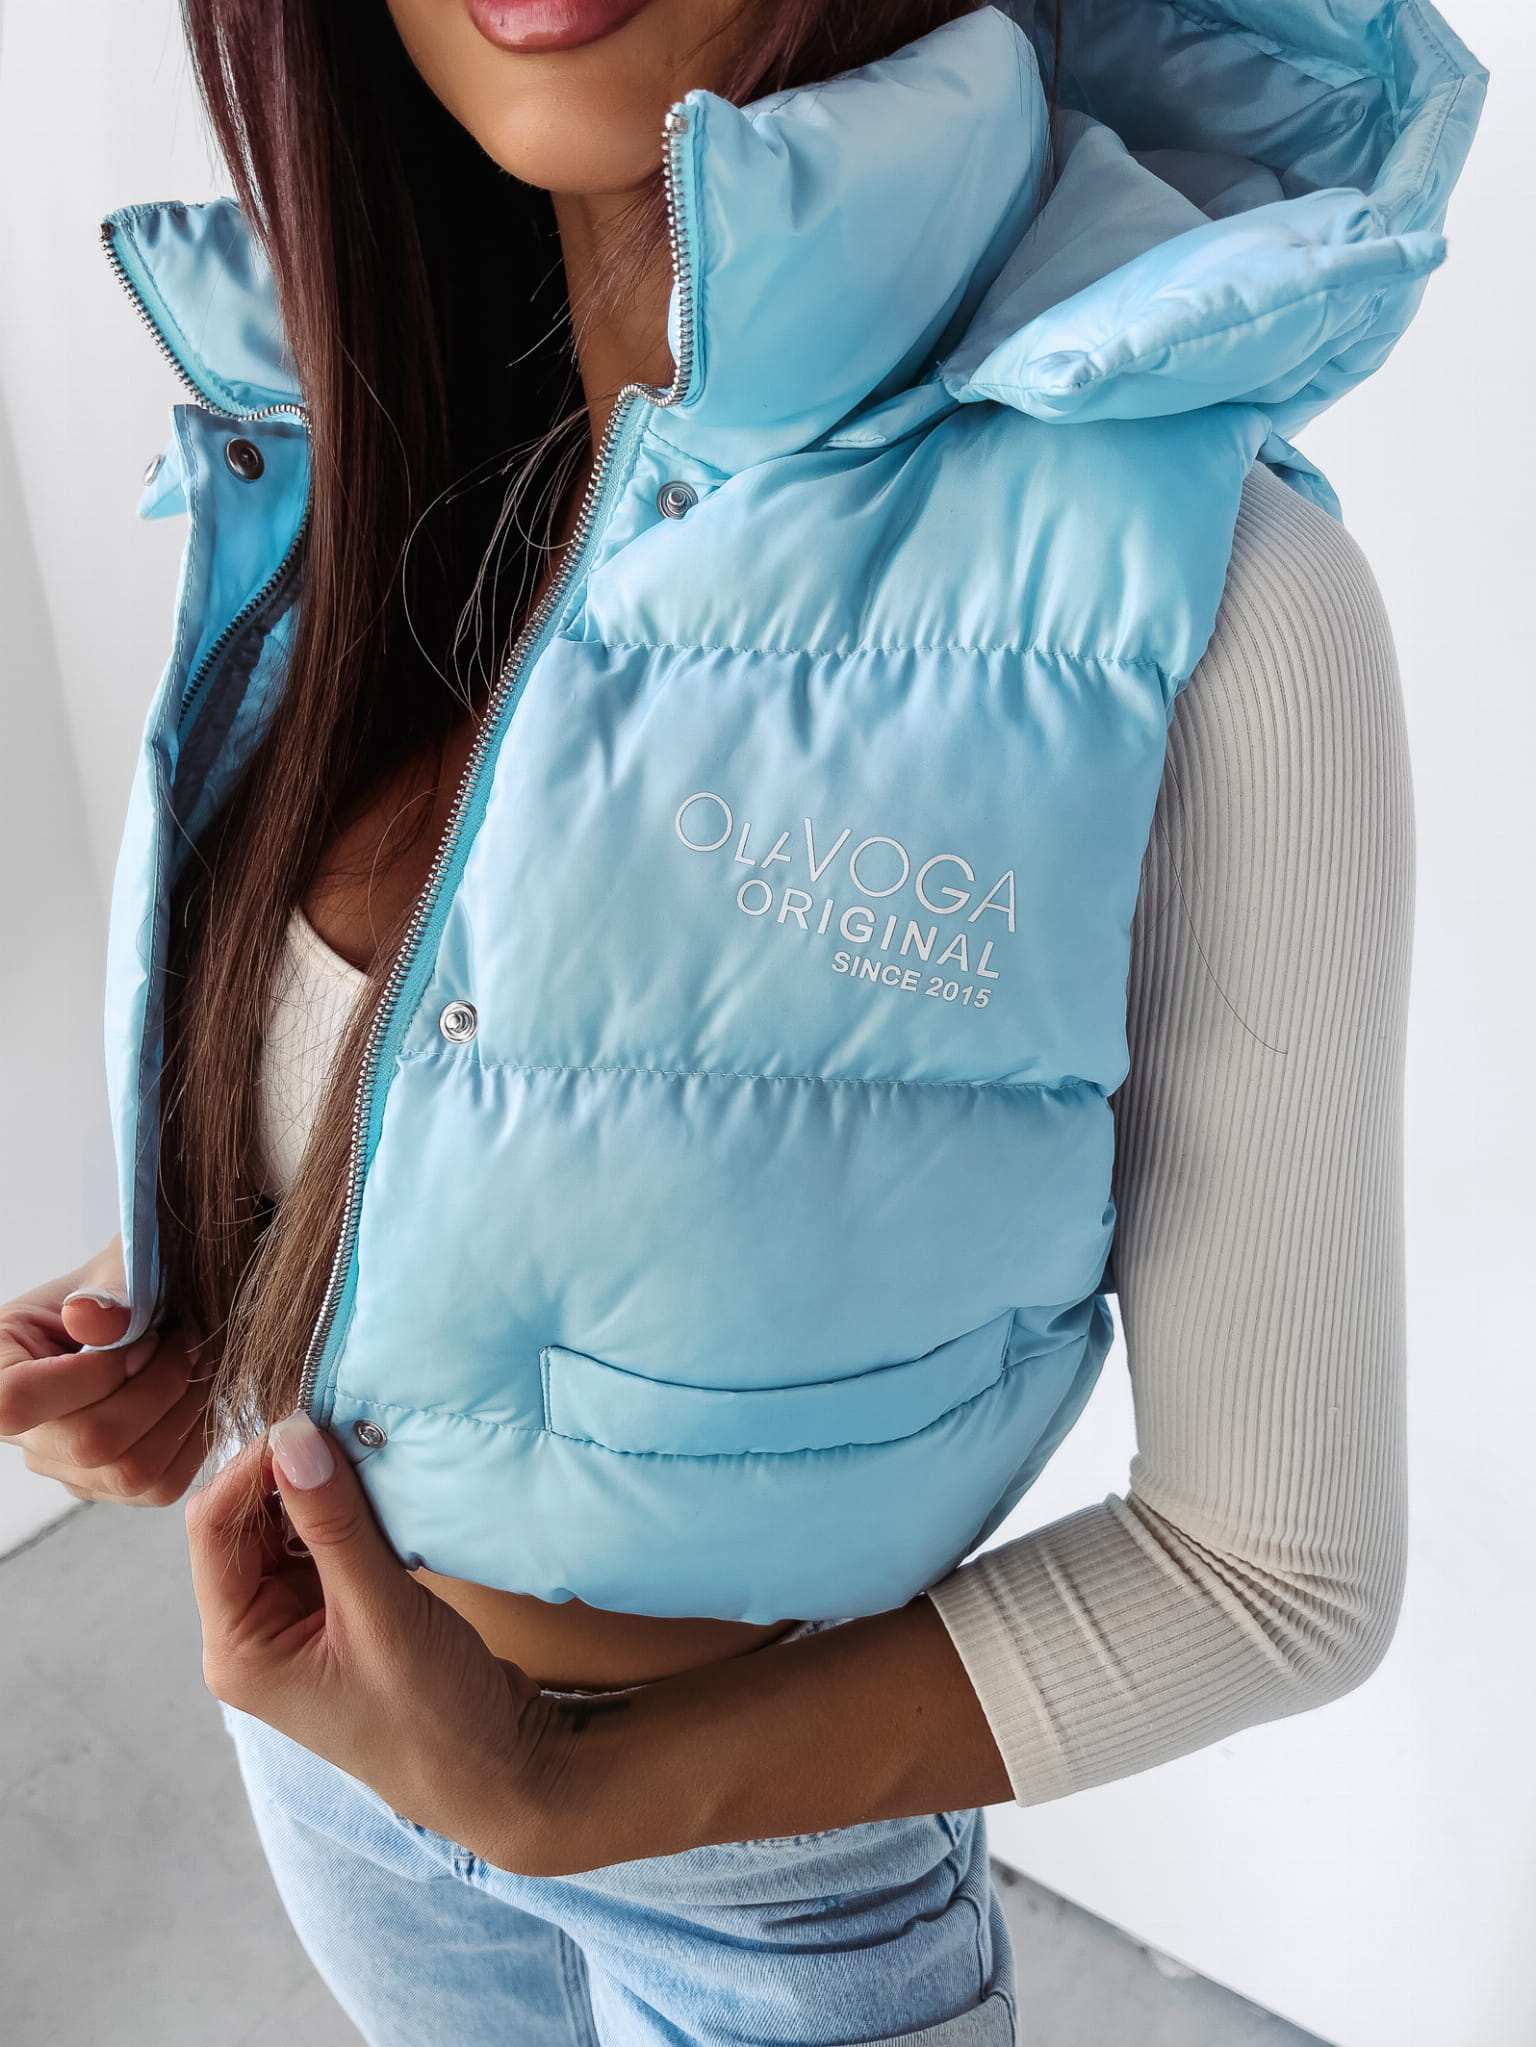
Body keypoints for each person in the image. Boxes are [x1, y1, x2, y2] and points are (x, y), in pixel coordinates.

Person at [0, 2, 1486, 2042]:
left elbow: (1274, 1572)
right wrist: (195, 1332)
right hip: (323, 1752)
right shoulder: (334, 438)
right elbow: (439, 1102)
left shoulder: (1209, 587)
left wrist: (565, 1789)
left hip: (769, 1898)